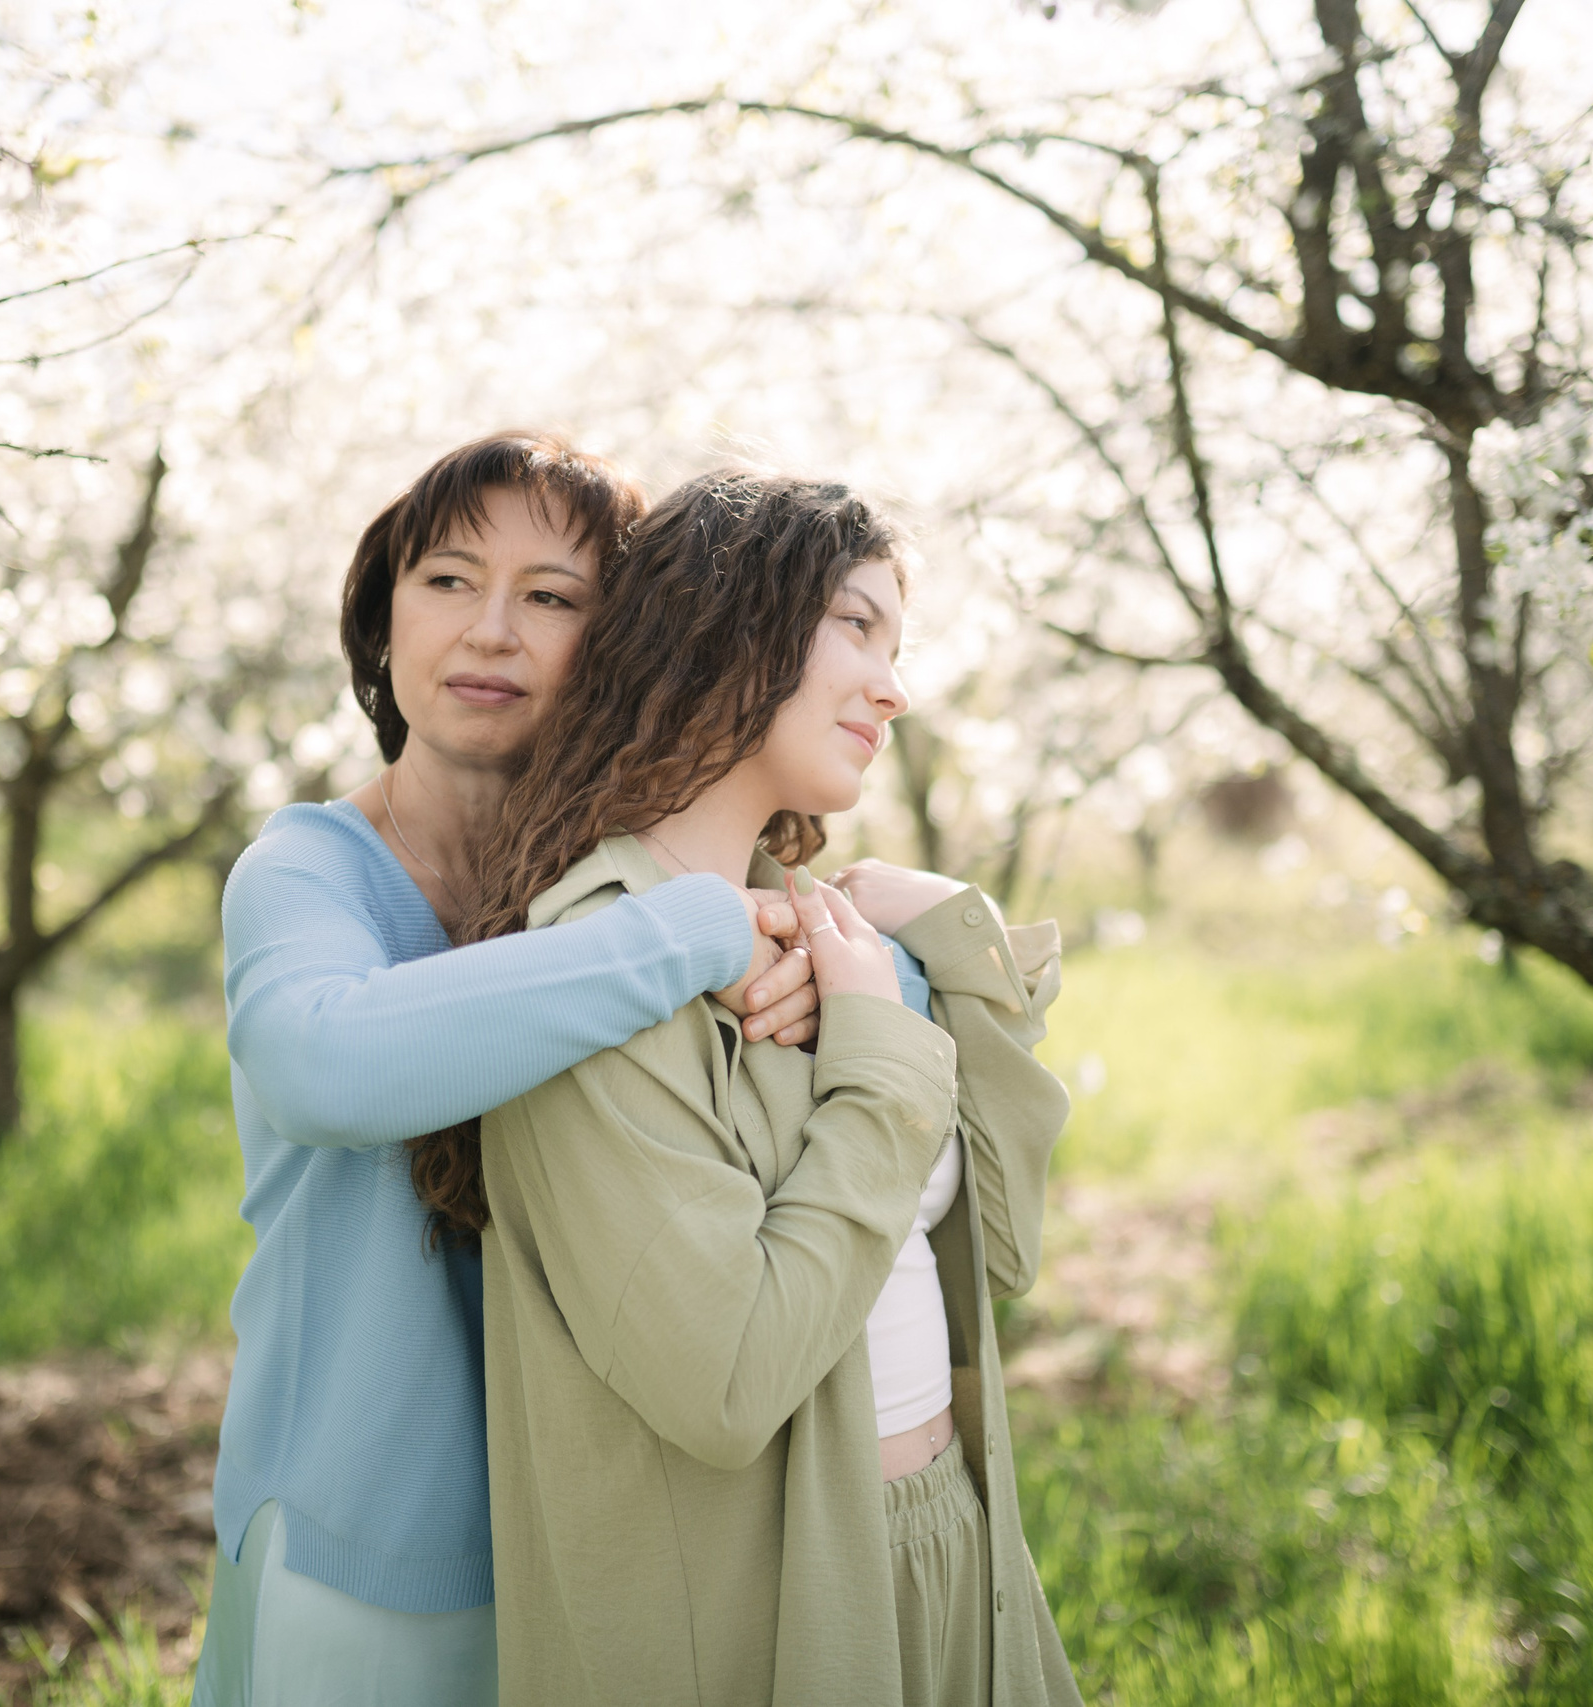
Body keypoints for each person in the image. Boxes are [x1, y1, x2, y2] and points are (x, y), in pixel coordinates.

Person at [189, 433, 829, 1707]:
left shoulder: (631, 884)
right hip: (369, 1544)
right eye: (447, 581)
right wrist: (694, 932)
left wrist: (838, 956)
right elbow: (326, 1063)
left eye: (552, 597)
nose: (491, 630)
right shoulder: (308, 872)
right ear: (383, 619)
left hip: (610, 1544)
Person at [443, 469, 1084, 1706]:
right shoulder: (598, 972)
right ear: (727, 621)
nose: (892, 687)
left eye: (897, 644)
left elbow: (1001, 1246)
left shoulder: (827, 943)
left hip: (957, 1546)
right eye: (856, 623)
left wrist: (934, 931)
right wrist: (885, 1068)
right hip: (778, 1608)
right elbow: (728, 1383)